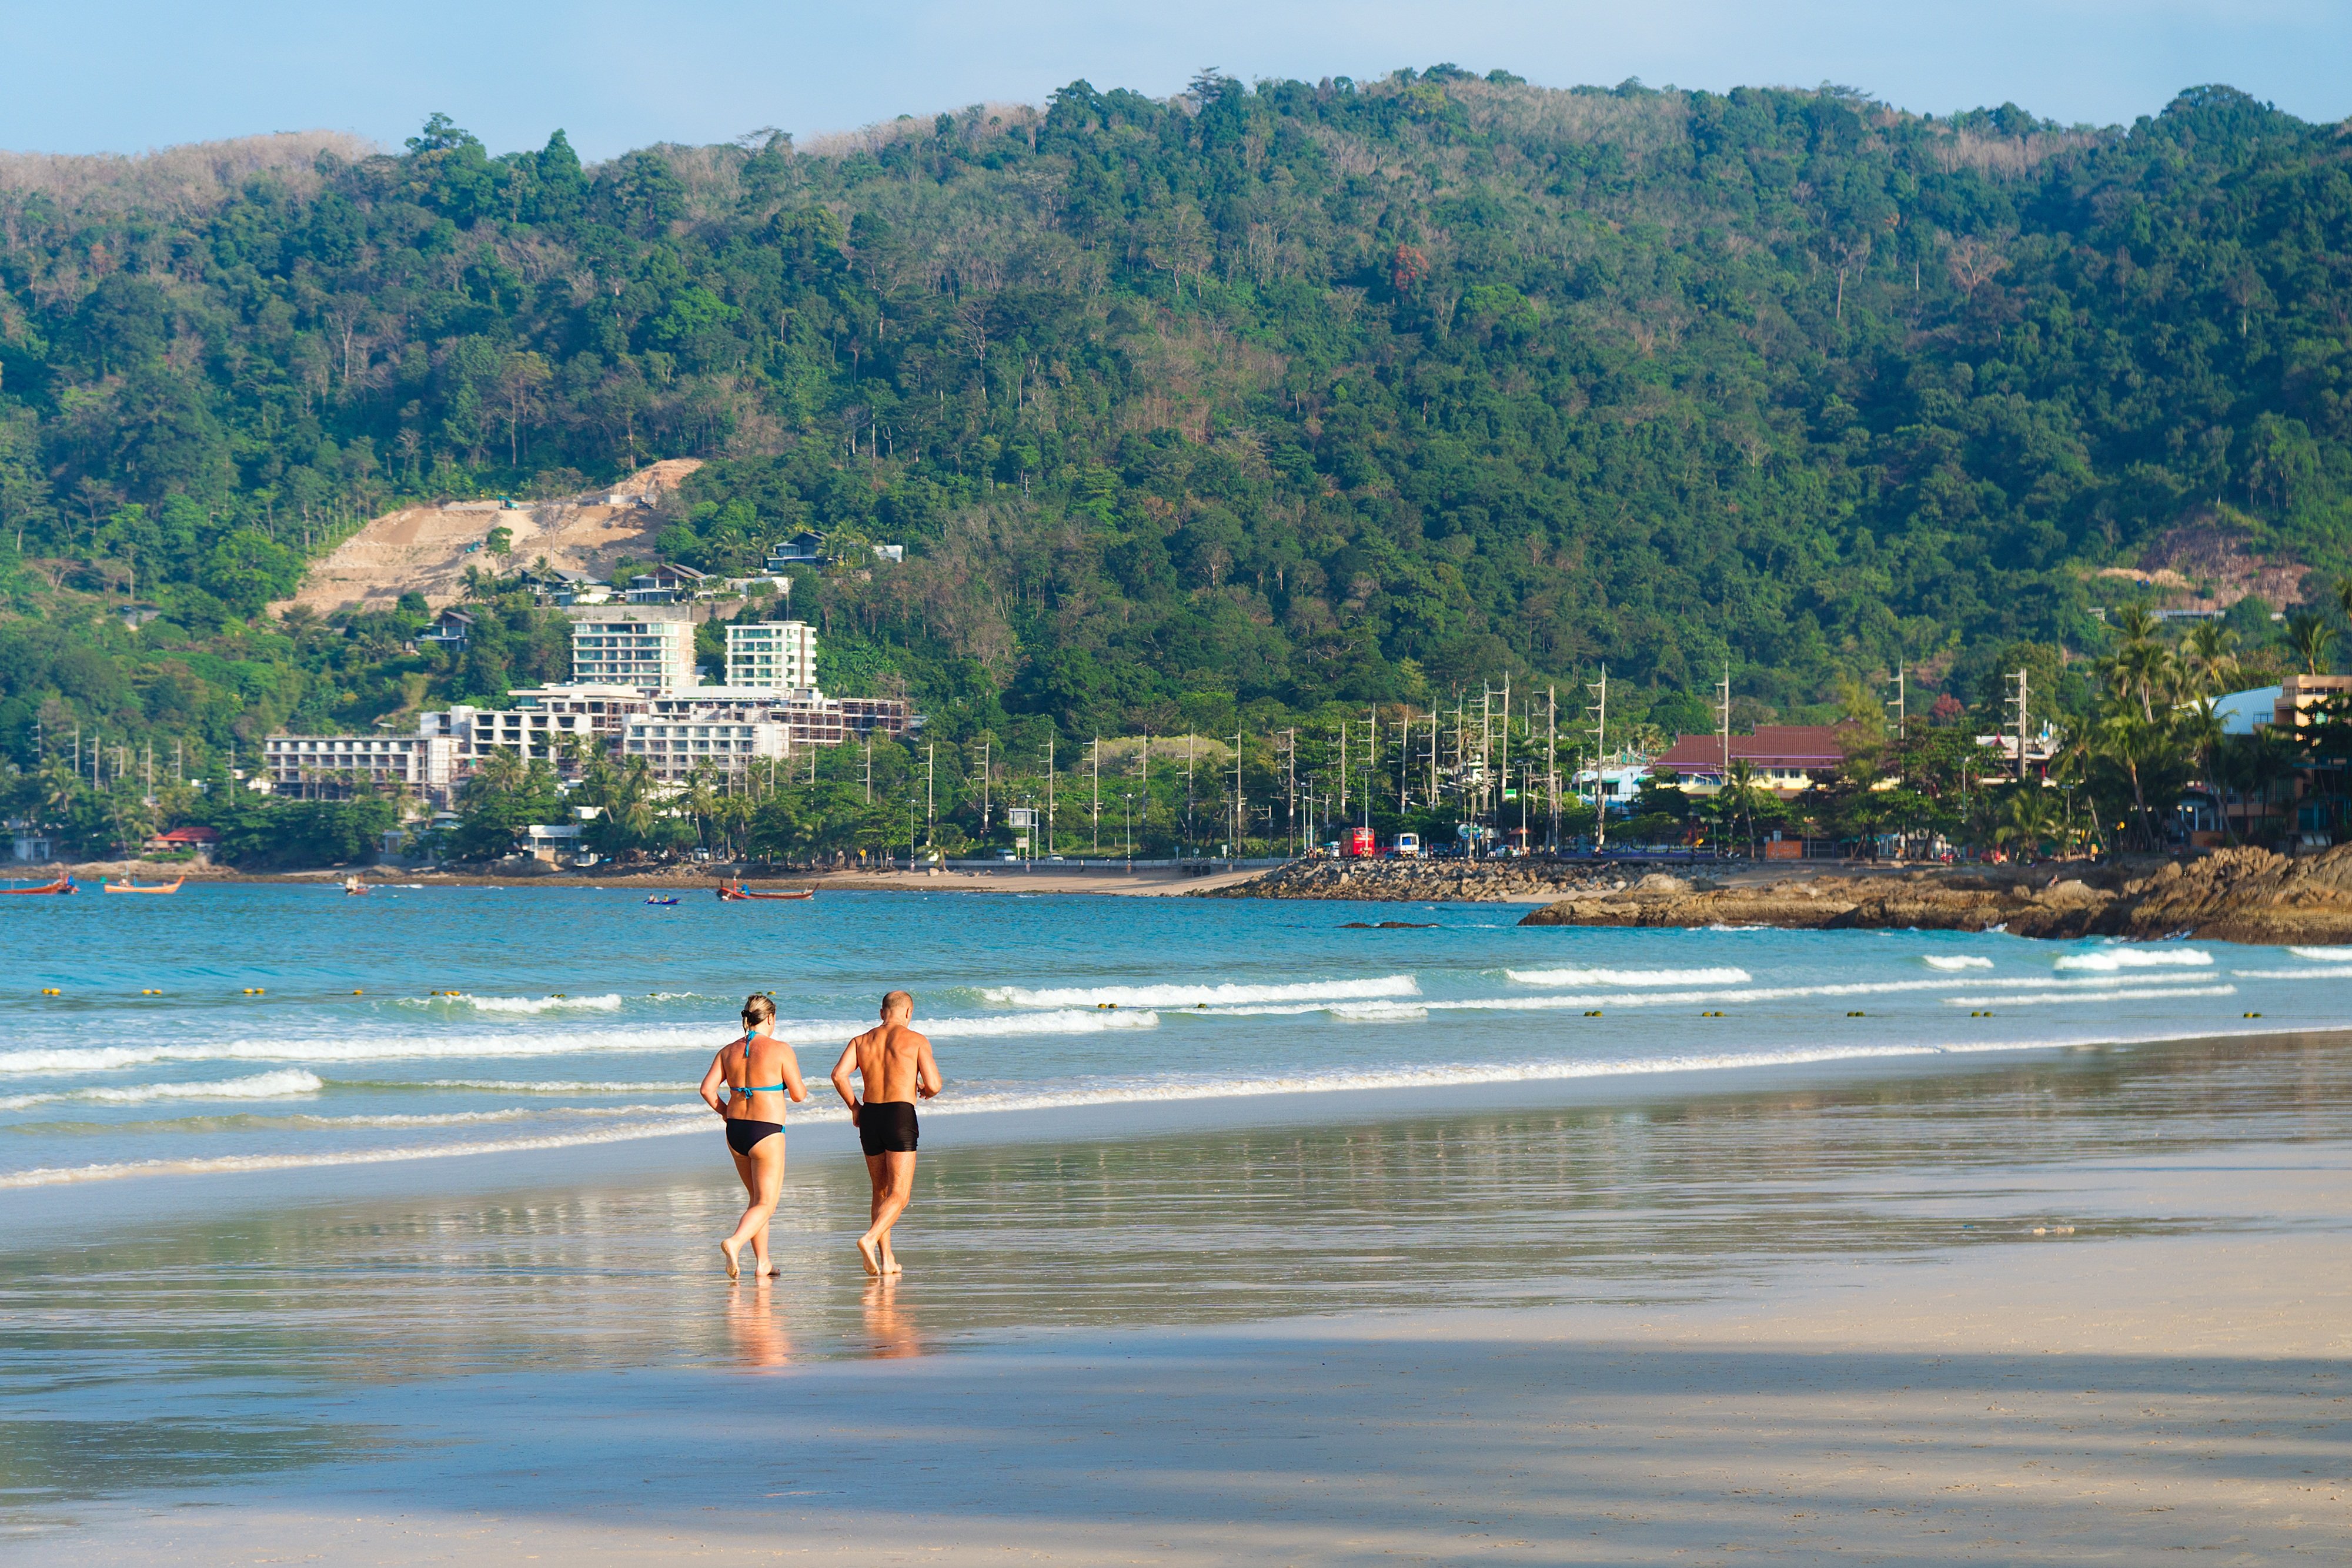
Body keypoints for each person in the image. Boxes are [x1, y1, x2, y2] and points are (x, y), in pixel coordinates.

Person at [830, 990, 941, 1276]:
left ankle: (887, 1259)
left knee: (880, 1191)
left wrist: (855, 1108)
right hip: (899, 1115)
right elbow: (935, 1084)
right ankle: (869, 1239)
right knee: (900, 1194)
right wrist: (924, 1090)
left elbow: (839, 1075)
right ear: (909, 1013)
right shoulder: (916, 1040)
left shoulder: (861, 1041)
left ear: (882, 1013)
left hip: (870, 1116)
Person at [699, 994, 807, 1281]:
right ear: (770, 1018)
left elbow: (707, 1090)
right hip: (766, 1132)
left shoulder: (727, 1051)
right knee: (766, 1204)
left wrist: (725, 1112)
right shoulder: (780, 1049)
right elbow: (798, 1095)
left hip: (736, 1132)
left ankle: (763, 1263)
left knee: (756, 1199)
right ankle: (734, 1242)